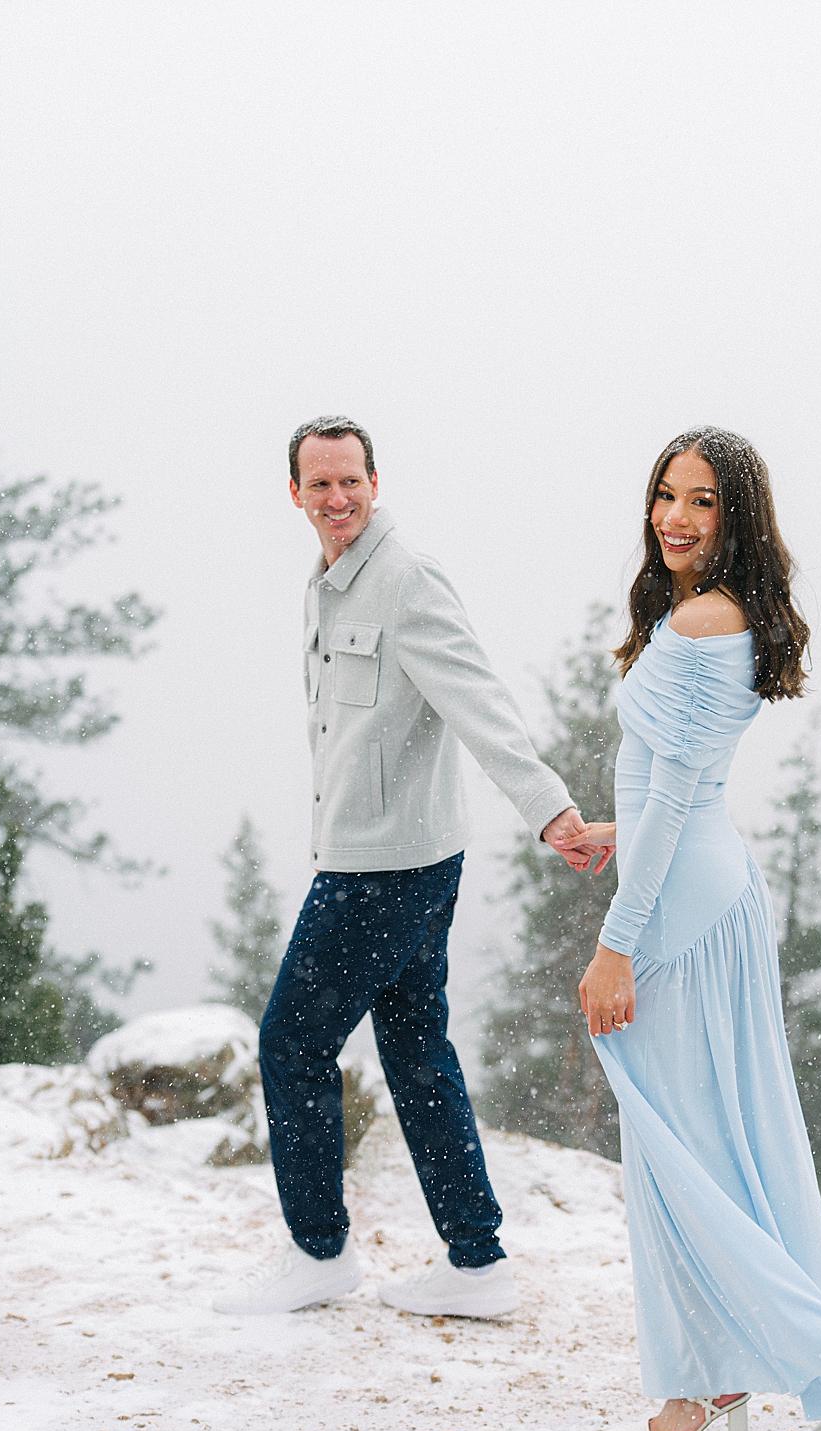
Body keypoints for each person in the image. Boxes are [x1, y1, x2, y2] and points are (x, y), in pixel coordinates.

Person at [563, 427, 821, 1431]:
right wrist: (619, 830)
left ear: (738, 518)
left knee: (687, 1162)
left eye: (704, 503)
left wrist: (615, 945)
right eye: (666, 496)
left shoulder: (707, 619)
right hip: (691, 882)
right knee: (717, 1152)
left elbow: (680, 793)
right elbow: (675, 790)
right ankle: (724, 1379)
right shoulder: (709, 614)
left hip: (677, 909)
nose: (676, 518)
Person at [213, 416, 598, 1321]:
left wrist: (550, 810)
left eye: (351, 481)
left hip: (383, 868)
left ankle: (318, 1254)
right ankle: (477, 1261)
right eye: (320, 485)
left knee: (291, 1042)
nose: (337, 499)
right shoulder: (326, 584)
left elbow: (479, 700)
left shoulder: (404, 580)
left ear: (376, 483)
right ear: (296, 494)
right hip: (401, 856)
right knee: (417, 1050)